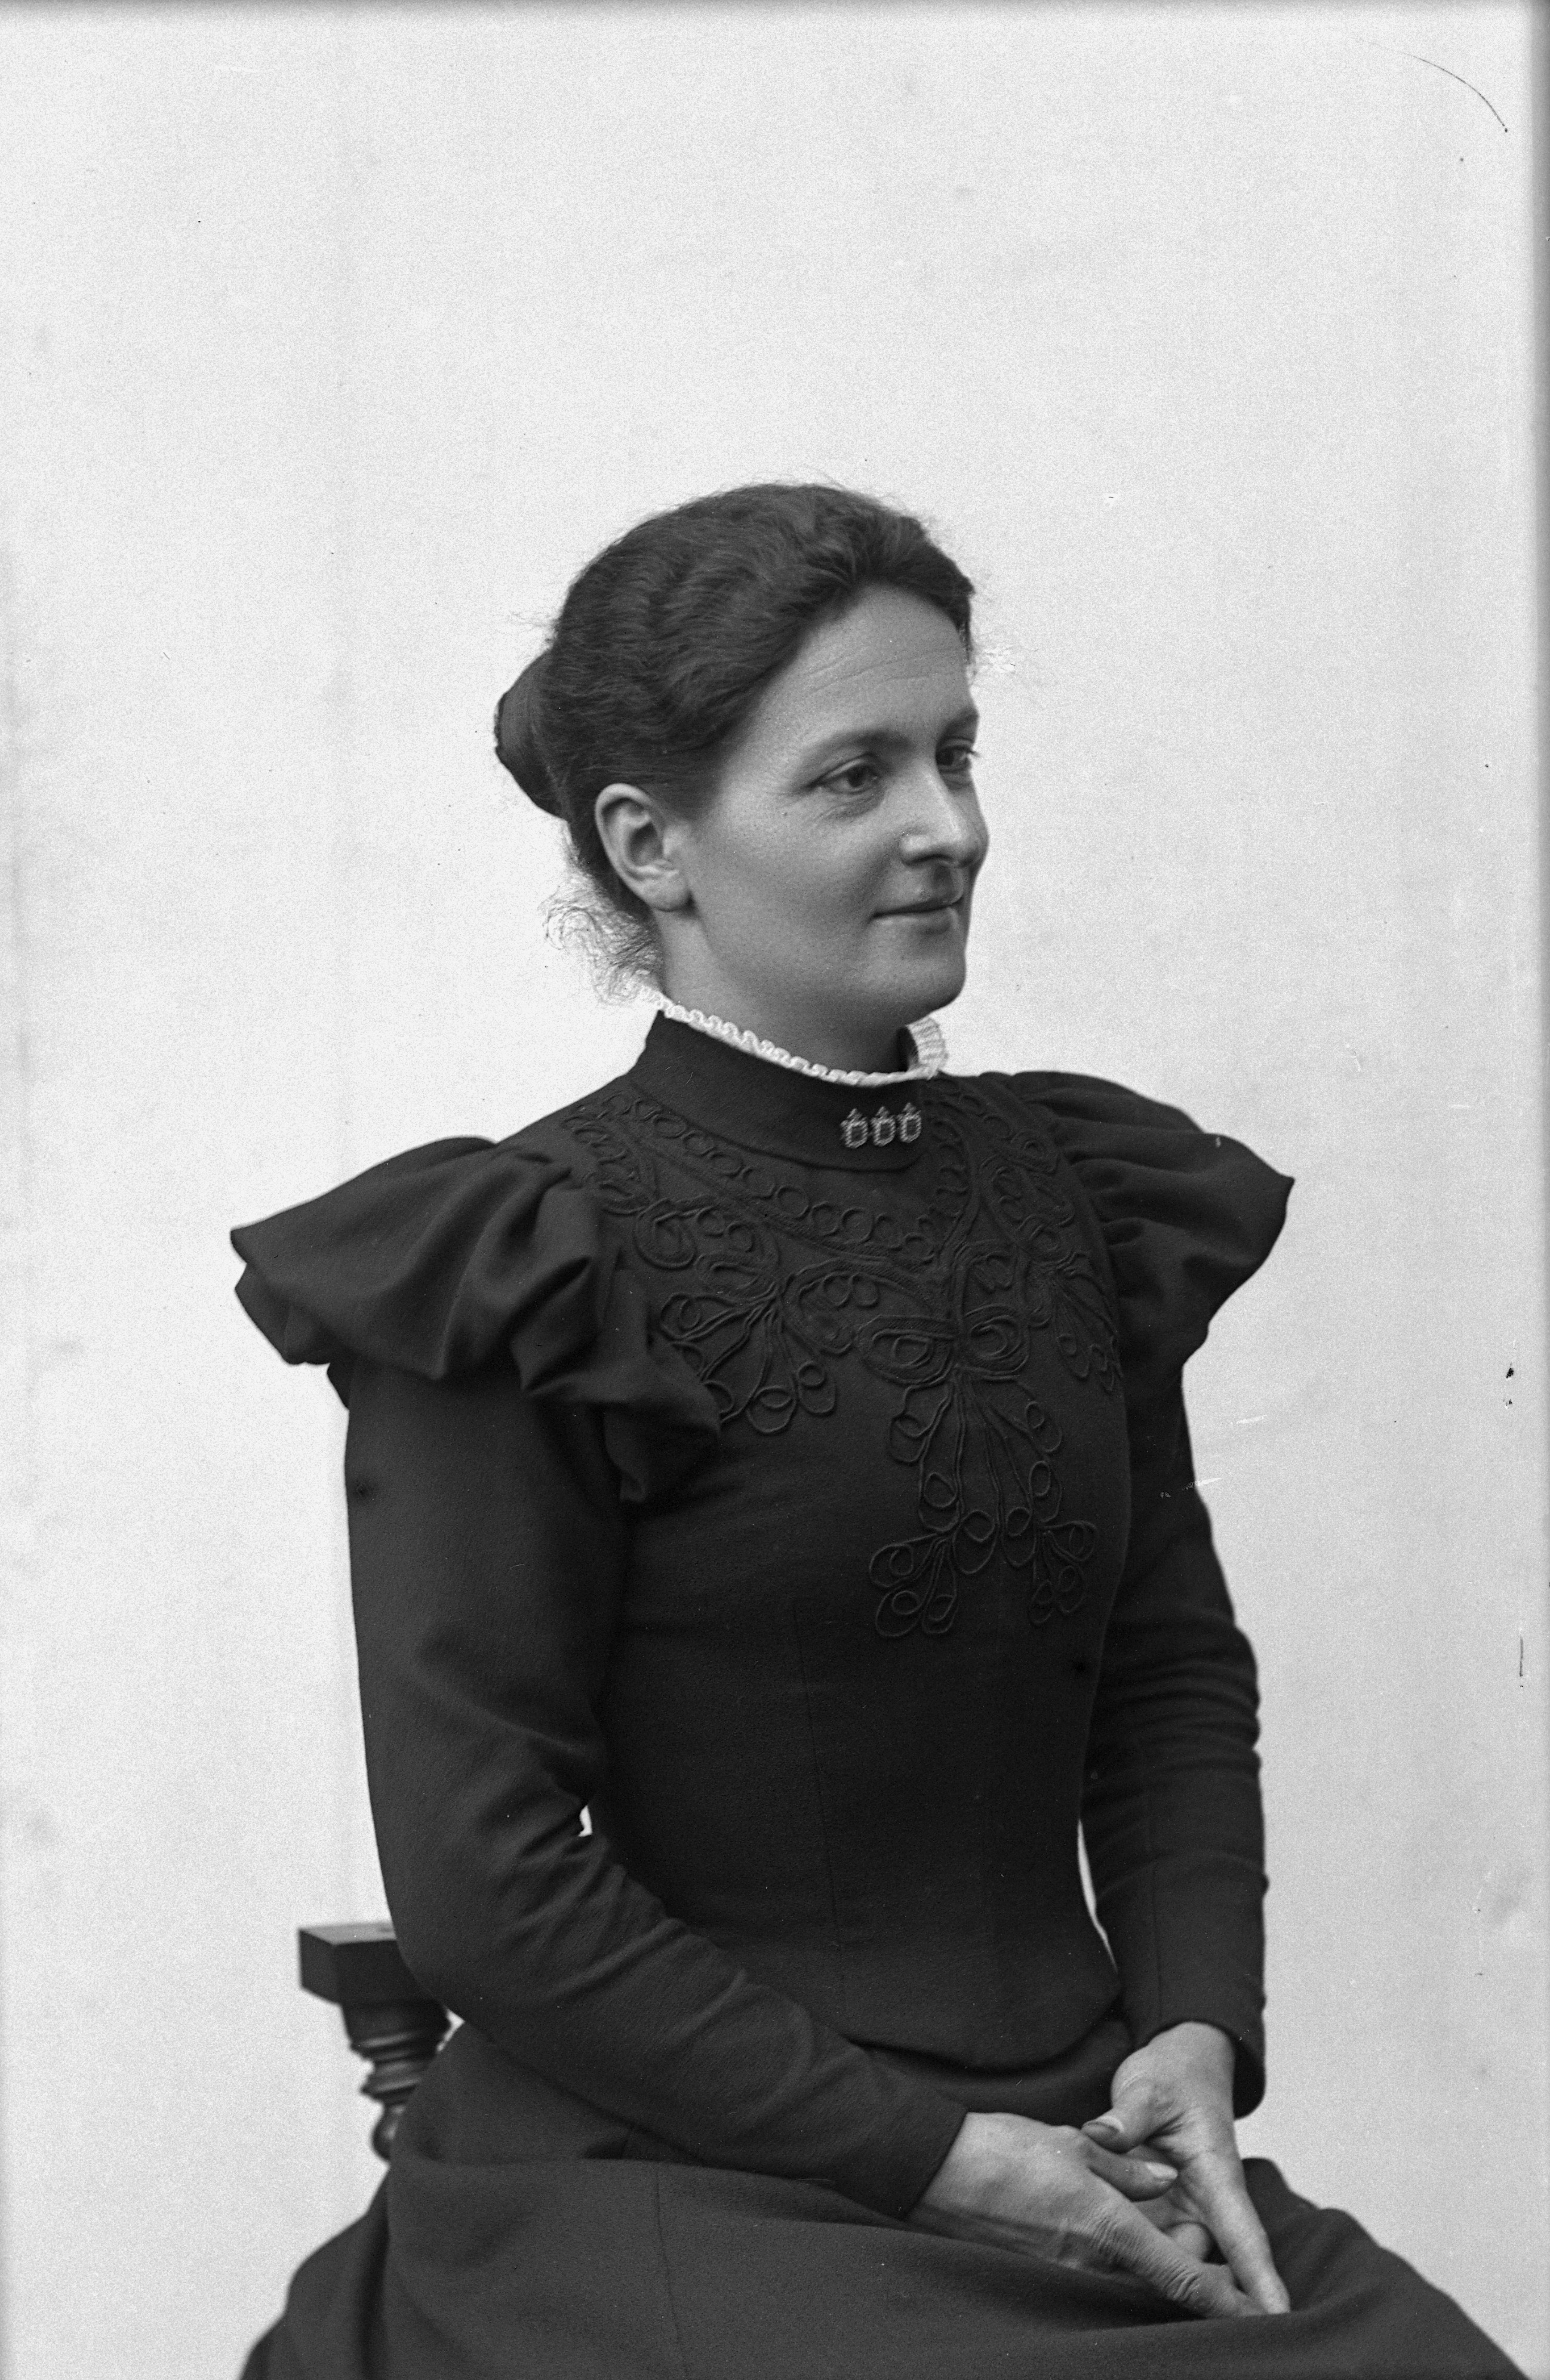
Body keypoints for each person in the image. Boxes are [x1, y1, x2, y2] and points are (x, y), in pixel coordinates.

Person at [232, 484, 1521, 2378]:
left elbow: (1163, 1670)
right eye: (855, 775)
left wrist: (1193, 2028)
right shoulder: (524, 1266)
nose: (950, 827)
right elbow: (488, 1883)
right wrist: (938, 2161)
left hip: (1075, 2130)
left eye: (955, 752)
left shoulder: (1070, 1194)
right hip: (676, 2171)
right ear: (651, 844)